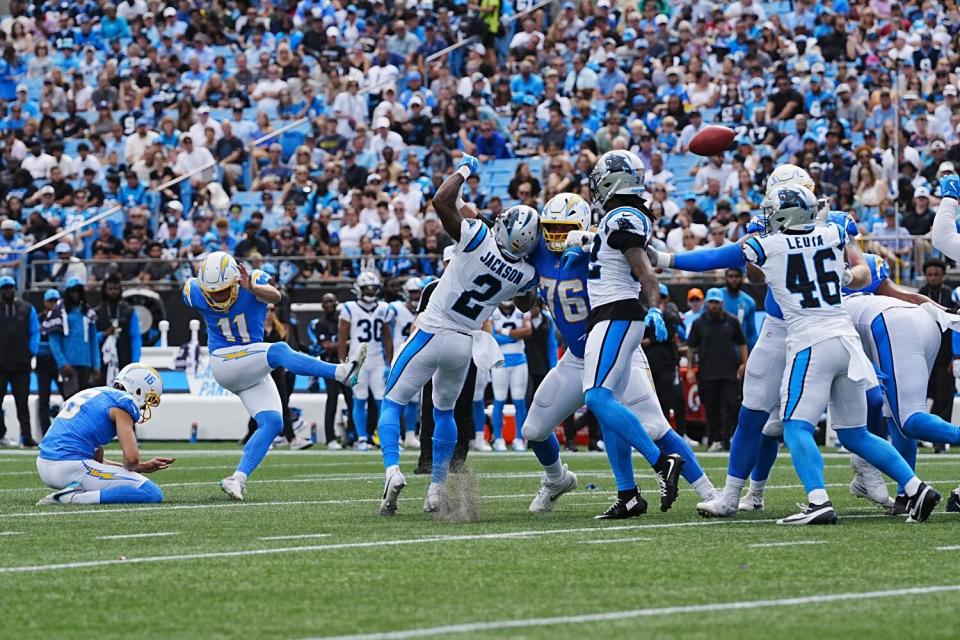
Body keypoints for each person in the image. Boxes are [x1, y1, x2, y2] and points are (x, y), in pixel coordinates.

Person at [740, 184, 938, 525]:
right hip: (846, 342)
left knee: (795, 427)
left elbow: (754, 274)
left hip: (810, 342)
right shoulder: (831, 232)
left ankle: (818, 501)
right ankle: (916, 488)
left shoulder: (765, 244)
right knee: (854, 433)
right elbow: (857, 266)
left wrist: (747, 246)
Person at [522, 192, 714, 516]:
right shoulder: (537, 251)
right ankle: (557, 480)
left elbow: (631, 256)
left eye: (563, 228)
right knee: (533, 431)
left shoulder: (596, 248)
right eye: (549, 227)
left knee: (654, 427)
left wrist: (654, 307)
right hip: (576, 358)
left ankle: (711, 492)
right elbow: (524, 301)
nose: (555, 235)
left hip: (617, 346)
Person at [376, 154, 540, 516]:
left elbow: (440, 200)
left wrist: (465, 168)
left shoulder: (477, 237)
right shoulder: (524, 274)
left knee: (392, 402)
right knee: (445, 411)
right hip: (463, 343)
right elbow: (528, 303)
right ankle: (436, 487)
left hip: (432, 330)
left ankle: (391, 471)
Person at [183, 251, 365, 500]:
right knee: (278, 350)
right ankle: (340, 372)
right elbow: (194, 290)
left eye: (223, 290)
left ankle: (236, 479)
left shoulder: (252, 279)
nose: (217, 297)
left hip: (249, 365)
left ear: (236, 279)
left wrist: (253, 288)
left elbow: (276, 296)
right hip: (224, 361)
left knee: (273, 423)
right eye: (211, 292)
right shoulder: (195, 291)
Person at [578, 150, 685, 518]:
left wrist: (654, 306)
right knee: (610, 409)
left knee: (594, 398)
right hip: (608, 315)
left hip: (617, 314)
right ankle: (628, 495)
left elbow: (645, 271)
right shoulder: (616, 218)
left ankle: (661, 462)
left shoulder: (623, 216)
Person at [35, 363, 170, 505]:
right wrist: (134, 466)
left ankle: (75, 490)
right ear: (138, 390)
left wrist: (142, 467)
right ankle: (74, 498)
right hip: (70, 466)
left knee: (98, 457)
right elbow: (131, 459)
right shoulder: (123, 404)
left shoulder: (96, 393)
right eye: (149, 399)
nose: (145, 406)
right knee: (151, 493)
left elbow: (97, 462)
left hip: (45, 464)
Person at [244, 302, 312, 450]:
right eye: (266, 309)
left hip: (277, 372)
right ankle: (255, 436)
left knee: (282, 405)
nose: (269, 312)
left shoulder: (281, 330)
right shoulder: (256, 329)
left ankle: (291, 438)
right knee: (260, 406)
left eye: (272, 310)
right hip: (261, 372)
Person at [686, 288, 747, 452]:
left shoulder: (732, 321)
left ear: (722, 303)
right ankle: (715, 439)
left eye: (716, 302)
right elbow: (691, 347)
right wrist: (691, 369)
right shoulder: (698, 323)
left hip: (729, 371)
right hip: (707, 373)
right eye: (711, 302)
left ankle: (726, 438)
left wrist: (744, 364)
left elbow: (742, 343)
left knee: (731, 405)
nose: (714, 306)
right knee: (711, 408)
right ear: (707, 303)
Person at [338, 272, 392, 450]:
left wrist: (390, 363)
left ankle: (382, 436)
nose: (370, 291)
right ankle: (362, 438)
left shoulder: (383, 308)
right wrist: (343, 362)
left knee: (381, 401)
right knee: (359, 400)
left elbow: (387, 339)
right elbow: (342, 337)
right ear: (358, 289)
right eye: (366, 288)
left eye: (373, 288)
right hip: (357, 361)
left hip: (377, 360)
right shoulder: (349, 308)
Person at [917, 258, 956, 453]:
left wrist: (955, 357)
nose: (932, 278)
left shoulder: (951, 296)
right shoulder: (920, 296)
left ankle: (941, 442)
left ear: (943, 275)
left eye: (936, 274)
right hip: (922, 358)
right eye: (929, 274)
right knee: (917, 399)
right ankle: (915, 439)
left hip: (944, 358)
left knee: (943, 399)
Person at [0, 275, 39, 447]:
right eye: (4, 288)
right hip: (0, 365)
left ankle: (27, 437)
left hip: (21, 364)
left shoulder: (27, 308)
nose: (8, 290)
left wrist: (31, 351)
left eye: (10, 287)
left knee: (22, 404)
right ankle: (1, 434)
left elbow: (35, 331)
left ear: (15, 288)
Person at [385, 278, 424, 450]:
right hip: (398, 355)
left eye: (418, 292)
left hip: (416, 356)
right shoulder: (394, 309)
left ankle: (409, 434)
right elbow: (385, 332)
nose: (416, 295)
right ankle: (394, 436)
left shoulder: (426, 310)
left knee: (414, 399)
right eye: (414, 292)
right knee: (394, 398)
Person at [307, 293, 348, 450]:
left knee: (352, 400)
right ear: (322, 305)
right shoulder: (320, 324)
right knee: (332, 400)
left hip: (346, 364)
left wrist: (340, 344)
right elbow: (326, 346)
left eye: (331, 301)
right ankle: (330, 438)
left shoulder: (343, 320)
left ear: (337, 303)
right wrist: (344, 343)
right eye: (326, 302)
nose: (329, 304)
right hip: (330, 366)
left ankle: (353, 437)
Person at [48, 277, 100, 400]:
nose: (76, 294)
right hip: (69, 365)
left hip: (86, 364)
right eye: (73, 291)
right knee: (71, 401)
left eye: (78, 291)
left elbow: (93, 341)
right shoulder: (59, 312)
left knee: (86, 402)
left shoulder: (88, 313)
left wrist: (96, 364)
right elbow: (54, 341)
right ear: (67, 292)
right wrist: (62, 363)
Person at [489, 300, 532, 452]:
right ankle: (498, 437)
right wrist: (516, 335)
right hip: (499, 361)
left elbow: (527, 332)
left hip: (519, 360)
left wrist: (505, 333)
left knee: (519, 400)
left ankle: (519, 438)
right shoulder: (492, 310)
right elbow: (491, 336)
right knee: (499, 400)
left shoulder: (522, 309)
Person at [95, 274, 141, 386]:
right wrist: (103, 334)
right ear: (104, 290)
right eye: (110, 289)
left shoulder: (129, 311)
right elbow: (92, 338)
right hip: (103, 361)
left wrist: (134, 363)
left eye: (116, 289)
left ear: (120, 290)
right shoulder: (96, 312)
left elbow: (135, 338)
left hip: (124, 359)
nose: (113, 292)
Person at [36, 289, 62, 436]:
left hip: (58, 363)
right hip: (43, 363)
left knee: (69, 396)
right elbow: (34, 341)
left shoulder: (61, 318)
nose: (53, 304)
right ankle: (45, 433)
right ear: (45, 302)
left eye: (55, 301)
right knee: (43, 399)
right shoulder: (39, 319)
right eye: (50, 301)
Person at [720, 267, 757, 350]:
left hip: (738, 350)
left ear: (742, 278)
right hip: (717, 347)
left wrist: (751, 354)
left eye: (737, 276)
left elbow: (751, 333)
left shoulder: (749, 302)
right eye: (731, 276)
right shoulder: (716, 297)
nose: (734, 279)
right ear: (726, 278)